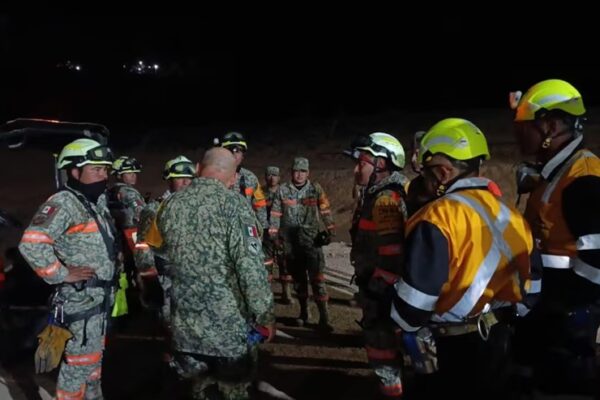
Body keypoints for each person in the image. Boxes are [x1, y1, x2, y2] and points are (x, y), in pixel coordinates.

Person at [390, 118, 541, 399]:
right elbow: (533, 291)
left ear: (443, 172)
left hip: (452, 351)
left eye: (427, 172)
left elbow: (411, 310)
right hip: (501, 343)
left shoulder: (436, 217)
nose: (424, 180)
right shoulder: (512, 215)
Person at [150, 148, 274, 399]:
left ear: (197, 168)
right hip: (228, 331)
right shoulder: (236, 206)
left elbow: (157, 253)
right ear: (233, 177)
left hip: (185, 326)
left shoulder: (169, 205)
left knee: (196, 391)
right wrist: (264, 314)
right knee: (233, 391)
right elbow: (250, 268)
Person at [510, 79, 600, 395]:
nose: (519, 134)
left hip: (568, 324)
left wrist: (566, 311)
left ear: (550, 126)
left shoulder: (583, 177)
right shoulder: (557, 172)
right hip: (549, 312)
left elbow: (596, 261)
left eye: (525, 126)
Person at [19, 138, 118, 400]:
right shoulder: (65, 202)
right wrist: (61, 274)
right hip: (81, 300)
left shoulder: (92, 202)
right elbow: (32, 243)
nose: (104, 175)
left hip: (98, 301)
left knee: (92, 364)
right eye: (96, 169)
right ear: (75, 171)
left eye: (105, 169)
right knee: (77, 368)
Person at [345, 132, 408, 398]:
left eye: (361, 162)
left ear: (381, 164)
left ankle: (391, 391)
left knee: (382, 350)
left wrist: (375, 290)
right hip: (383, 289)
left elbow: (392, 256)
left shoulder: (385, 201)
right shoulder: (379, 194)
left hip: (382, 293)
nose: (356, 169)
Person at [269, 157, 336, 332]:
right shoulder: (283, 190)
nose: (299, 175)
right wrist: (274, 235)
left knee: (318, 280)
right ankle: (304, 313)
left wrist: (330, 230)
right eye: (296, 171)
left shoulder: (315, 189)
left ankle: (324, 317)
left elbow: (325, 209)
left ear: (308, 173)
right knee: (299, 281)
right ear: (292, 172)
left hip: (312, 242)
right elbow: (275, 213)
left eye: (303, 171)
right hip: (291, 244)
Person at [135, 155, 195, 324]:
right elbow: (143, 246)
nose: (185, 182)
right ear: (169, 180)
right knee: (172, 325)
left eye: (189, 178)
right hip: (168, 280)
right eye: (179, 178)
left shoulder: (198, 209)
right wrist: (150, 280)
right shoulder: (154, 210)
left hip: (195, 280)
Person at [217, 132, 268, 231]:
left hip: (245, 230)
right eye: (230, 150)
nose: (234, 154)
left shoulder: (250, 178)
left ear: (243, 155)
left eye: (238, 150)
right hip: (219, 230)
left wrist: (263, 228)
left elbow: (260, 204)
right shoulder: (213, 176)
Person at [108, 156, 145, 281]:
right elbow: (141, 212)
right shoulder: (128, 192)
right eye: (129, 173)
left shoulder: (110, 191)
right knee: (141, 268)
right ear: (119, 175)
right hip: (131, 235)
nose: (134, 176)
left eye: (134, 173)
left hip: (116, 236)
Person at [263, 166, 293, 303]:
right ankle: (267, 292)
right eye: (269, 175)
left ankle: (286, 292)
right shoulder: (260, 193)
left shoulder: (285, 192)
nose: (272, 178)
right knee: (266, 262)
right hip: (265, 232)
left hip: (282, 233)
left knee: (284, 263)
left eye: (274, 175)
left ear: (279, 177)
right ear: (265, 177)